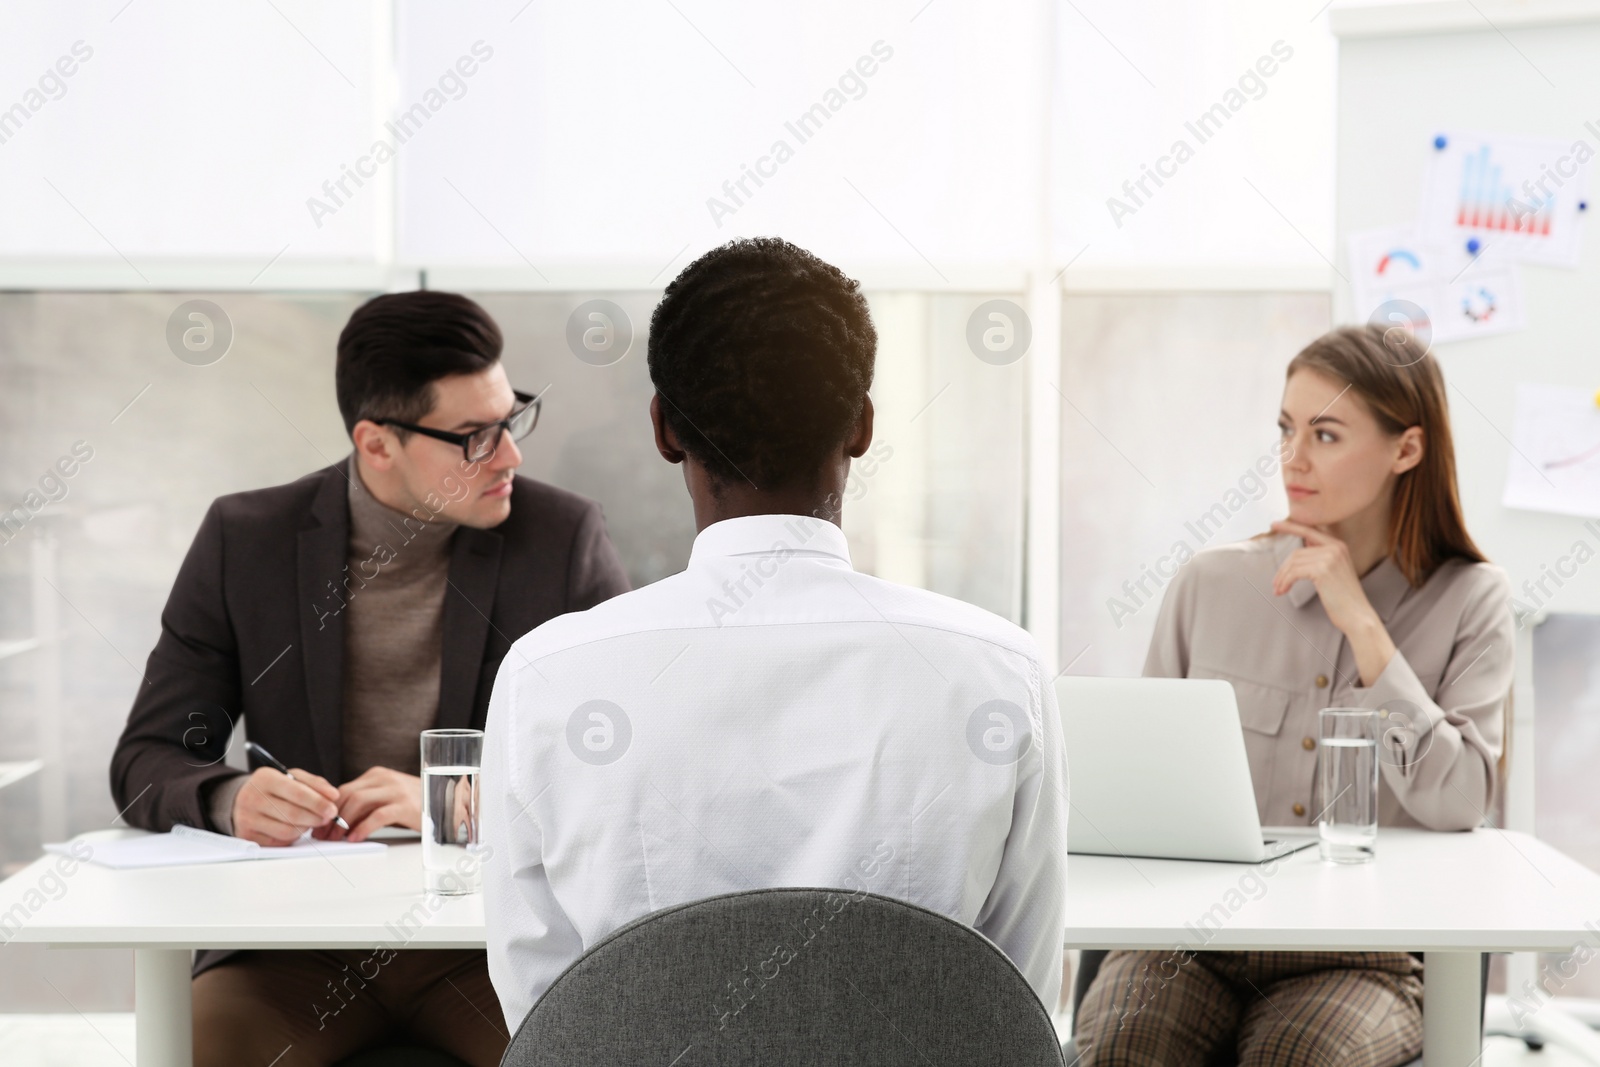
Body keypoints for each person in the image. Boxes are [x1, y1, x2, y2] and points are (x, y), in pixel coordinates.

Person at [479, 236, 1069, 1033]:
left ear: (664, 430)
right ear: (861, 425)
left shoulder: (547, 676)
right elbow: (1014, 998)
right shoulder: (1000, 671)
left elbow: (548, 1012)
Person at [108, 291, 630, 1067]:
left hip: (490, 941)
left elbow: (625, 756)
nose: (510, 454)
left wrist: (448, 800)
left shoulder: (560, 539)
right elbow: (147, 757)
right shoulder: (244, 540)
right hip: (289, 949)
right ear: (376, 443)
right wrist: (230, 797)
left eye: (510, 417)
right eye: (473, 436)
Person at [1073, 325, 1514, 1067]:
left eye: (1326, 433)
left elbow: (1462, 799)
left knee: (1296, 1057)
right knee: (1122, 1046)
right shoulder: (1211, 584)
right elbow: (1138, 794)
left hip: (1365, 960)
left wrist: (1363, 623)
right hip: (1193, 944)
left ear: (1405, 450)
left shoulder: (1473, 599)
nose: (1293, 458)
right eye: (1285, 428)